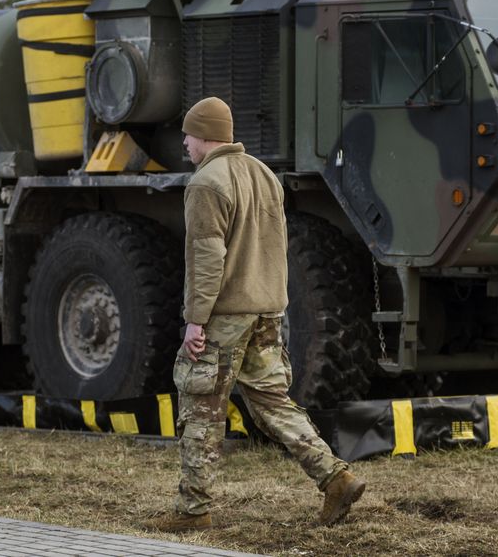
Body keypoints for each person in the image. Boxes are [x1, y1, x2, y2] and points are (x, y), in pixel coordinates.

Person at [146, 96, 366, 532]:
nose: (184, 143)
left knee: (201, 407)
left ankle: (193, 512)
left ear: (205, 135)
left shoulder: (207, 183)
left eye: (188, 134)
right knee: (271, 403)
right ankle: (336, 477)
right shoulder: (264, 175)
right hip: (267, 309)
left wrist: (195, 319)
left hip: (225, 313)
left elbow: (206, 258)